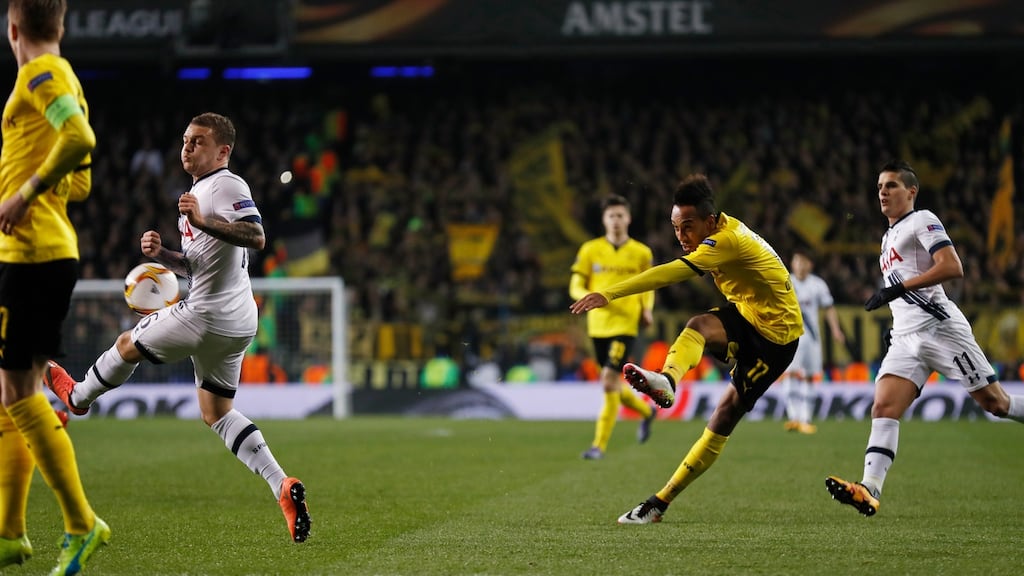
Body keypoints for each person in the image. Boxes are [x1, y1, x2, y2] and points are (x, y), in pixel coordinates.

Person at [45, 112, 313, 543]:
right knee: (217, 413)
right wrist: (164, 256)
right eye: (185, 140)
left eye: (198, 141)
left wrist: (202, 221)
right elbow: (200, 263)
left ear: (223, 151)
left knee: (126, 344)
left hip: (206, 315)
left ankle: (77, 398)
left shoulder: (226, 185)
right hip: (237, 319)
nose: (187, 147)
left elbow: (256, 236)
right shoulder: (197, 193)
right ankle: (281, 485)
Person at [570, 174, 802, 524]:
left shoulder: (727, 240)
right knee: (698, 326)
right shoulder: (720, 230)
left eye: (688, 227)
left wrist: (610, 293)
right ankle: (667, 381)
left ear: (710, 221)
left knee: (724, 416)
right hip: (747, 314)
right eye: (676, 227)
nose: (681, 236)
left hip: (776, 338)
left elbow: (670, 273)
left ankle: (659, 502)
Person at [825, 160, 1024, 516]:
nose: (883, 192)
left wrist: (899, 288)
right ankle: (869, 488)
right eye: (879, 187)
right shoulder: (887, 237)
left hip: (940, 330)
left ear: (911, 191)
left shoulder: (922, 220)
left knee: (996, 403)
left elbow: (952, 266)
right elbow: (904, 288)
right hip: (905, 338)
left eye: (891, 185)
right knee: (884, 407)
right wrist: (896, 320)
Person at [0, 1, 111, 573]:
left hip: (34, 254)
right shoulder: (65, 78)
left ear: (12, 28)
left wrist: (24, 193)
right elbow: (83, 182)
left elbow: (79, 138)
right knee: (11, 393)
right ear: (61, 26)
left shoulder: (39, 73)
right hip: (43, 252)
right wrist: (40, 179)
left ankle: (80, 523)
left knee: (18, 394)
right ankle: (9, 532)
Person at [569, 194, 657, 460]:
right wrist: (584, 297)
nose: (616, 220)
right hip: (597, 326)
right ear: (604, 220)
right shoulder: (590, 250)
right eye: (611, 216)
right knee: (613, 383)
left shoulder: (641, 252)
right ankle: (646, 412)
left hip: (625, 324)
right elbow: (575, 284)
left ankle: (598, 446)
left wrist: (646, 308)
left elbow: (648, 284)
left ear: (628, 218)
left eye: (620, 215)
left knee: (608, 380)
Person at [781, 251, 844, 434]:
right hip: (792, 337)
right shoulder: (785, 281)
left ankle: (806, 418)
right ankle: (793, 417)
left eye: (804, 262)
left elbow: (829, 308)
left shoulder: (817, 284)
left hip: (813, 338)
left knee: (809, 376)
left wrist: (836, 330)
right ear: (792, 264)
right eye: (797, 261)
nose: (800, 265)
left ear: (810, 265)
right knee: (791, 374)